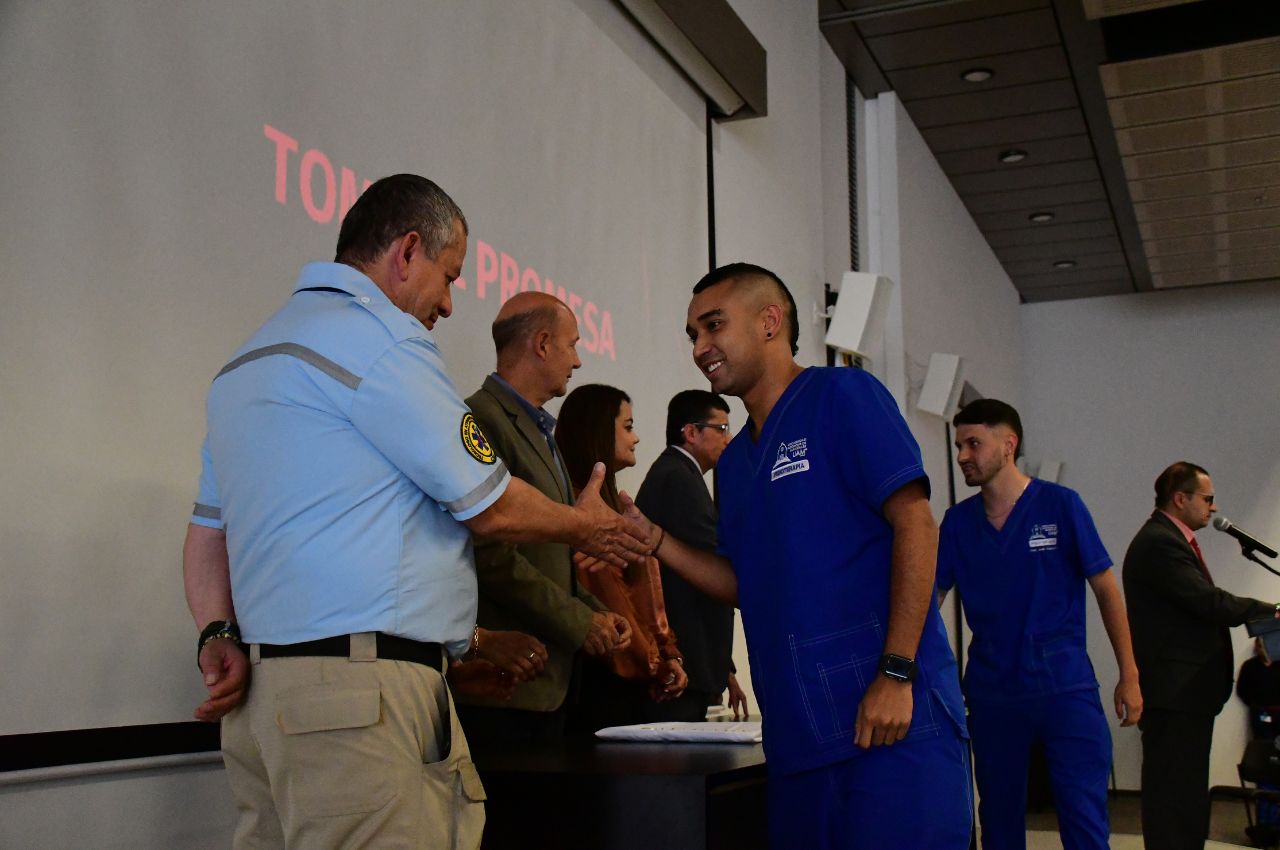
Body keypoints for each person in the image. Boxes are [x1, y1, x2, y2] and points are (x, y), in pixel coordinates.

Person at [182, 174, 648, 850]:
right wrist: (592, 525)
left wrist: (214, 633)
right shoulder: (383, 344)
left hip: (263, 702)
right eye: (449, 275)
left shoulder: (245, 365)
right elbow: (488, 506)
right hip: (358, 704)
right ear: (406, 253)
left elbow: (205, 538)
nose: (450, 304)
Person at [602, 263, 972, 849]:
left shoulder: (842, 396)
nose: (700, 348)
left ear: (770, 321)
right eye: (692, 335)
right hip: (799, 738)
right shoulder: (740, 464)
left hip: (891, 724)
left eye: (713, 325)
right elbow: (745, 583)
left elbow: (917, 526)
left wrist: (898, 671)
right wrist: (656, 541)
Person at [936, 399, 1142, 850]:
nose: (962, 456)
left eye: (974, 443)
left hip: (1063, 687)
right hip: (993, 694)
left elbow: (1106, 589)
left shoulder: (1061, 506)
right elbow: (929, 603)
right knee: (999, 822)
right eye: (958, 445)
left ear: (1008, 445)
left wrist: (1129, 673)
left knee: (1084, 819)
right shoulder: (956, 524)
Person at [457, 291, 633, 748]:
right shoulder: (481, 418)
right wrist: (577, 623)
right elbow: (490, 554)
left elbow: (547, 556)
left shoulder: (540, 430)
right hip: (506, 686)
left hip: (546, 685)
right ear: (541, 343)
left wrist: (598, 614)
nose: (577, 360)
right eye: (572, 344)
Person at [1123, 461, 1277, 850]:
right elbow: (1205, 602)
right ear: (1181, 498)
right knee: (1174, 796)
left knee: (1186, 792)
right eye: (1207, 499)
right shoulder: (1159, 542)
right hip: (1174, 694)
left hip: (1185, 694)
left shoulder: (1170, 540)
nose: (1213, 507)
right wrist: (1269, 610)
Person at [556, 383, 688, 731]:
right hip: (605, 682)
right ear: (598, 430)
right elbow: (611, 600)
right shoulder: (577, 509)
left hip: (631, 675)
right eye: (628, 426)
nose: (637, 438)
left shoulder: (615, 505)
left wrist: (665, 653)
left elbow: (645, 598)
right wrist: (657, 661)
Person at [634, 389, 746, 722]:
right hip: (684, 656)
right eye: (721, 429)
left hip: (693, 657)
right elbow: (713, 562)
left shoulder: (682, 474)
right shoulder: (678, 477)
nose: (729, 438)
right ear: (691, 432)